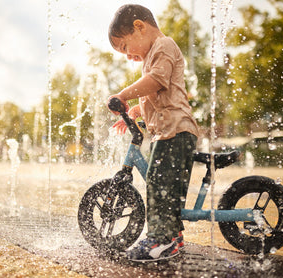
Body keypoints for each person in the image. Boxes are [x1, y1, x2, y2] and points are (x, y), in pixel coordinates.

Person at [107, 4, 199, 262]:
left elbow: (157, 81)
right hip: (169, 130)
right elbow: (158, 95)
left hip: (176, 130)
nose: (127, 56)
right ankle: (173, 237)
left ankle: (160, 240)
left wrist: (123, 95)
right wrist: (136, 110)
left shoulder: (164, 45)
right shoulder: (153, 54)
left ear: (139, 27)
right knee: (165, 187)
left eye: (125, 47)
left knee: (158, 183)